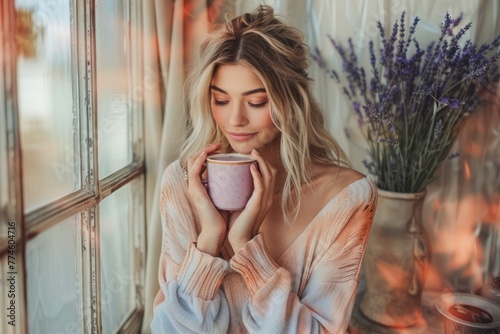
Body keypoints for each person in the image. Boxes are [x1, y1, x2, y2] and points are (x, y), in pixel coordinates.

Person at [151, 5, 377, 333]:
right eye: (221, 100)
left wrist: (246, 245)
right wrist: (210, 239)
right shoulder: (182, 183)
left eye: (256, 102)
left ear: (291, 100)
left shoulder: (346, 197)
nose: (235, 120)